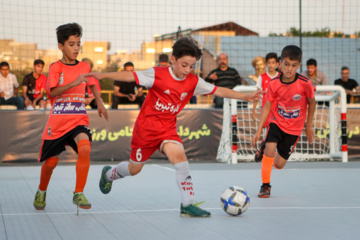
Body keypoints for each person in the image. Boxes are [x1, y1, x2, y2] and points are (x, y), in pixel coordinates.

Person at [85, 37, 262, 217]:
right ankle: (109, 174)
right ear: (173, 60)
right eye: (184, 65)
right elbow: (131, 75)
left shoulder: (193, 81)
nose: (187, 70)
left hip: (167, 130)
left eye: (191, 66)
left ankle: (187, 204)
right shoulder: (157, 74)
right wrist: (102, 75)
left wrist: (246, 97)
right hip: (145, 130)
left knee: (181, 160)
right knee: (134, 169)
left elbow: (218, 90)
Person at [33, 23, 108, 211]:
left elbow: (91, 84)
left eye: (78, 44)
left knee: (85, 148)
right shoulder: (55, 67)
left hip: (78, 119)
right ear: (61, 46)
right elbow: (54, 91)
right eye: (72, 44)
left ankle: (78, 193)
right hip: (58, 122)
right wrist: (75, 82)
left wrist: (99, 102)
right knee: (51, 162)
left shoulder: (84, 66)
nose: (76, 48)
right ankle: (41, 191)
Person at [251, 45, 315, 198]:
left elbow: (312, 103)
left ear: (299, 65)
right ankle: (265, 186)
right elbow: (267, 106)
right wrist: (259, 129)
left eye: (293, 66)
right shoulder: (274, 83)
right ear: (280, 63)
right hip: (276, 122)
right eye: (286, 64)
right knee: (269, 152)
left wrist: (309, 125)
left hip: (295, 128)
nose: (289, 69)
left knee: (279, 165)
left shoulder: (305, 83)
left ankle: (265, 148)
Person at [252, 52, 280, 162]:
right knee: (268, 134)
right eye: (269, 63)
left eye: (273, 62)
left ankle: (264, 149)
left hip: (278, 112)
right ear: (266, 64)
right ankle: (267, 154)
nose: (271, 65)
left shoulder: (280, 77)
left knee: (276, 135)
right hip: (266, 111)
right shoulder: (262, 77)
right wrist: (254, 110)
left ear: (277, 63)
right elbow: (257, 94)